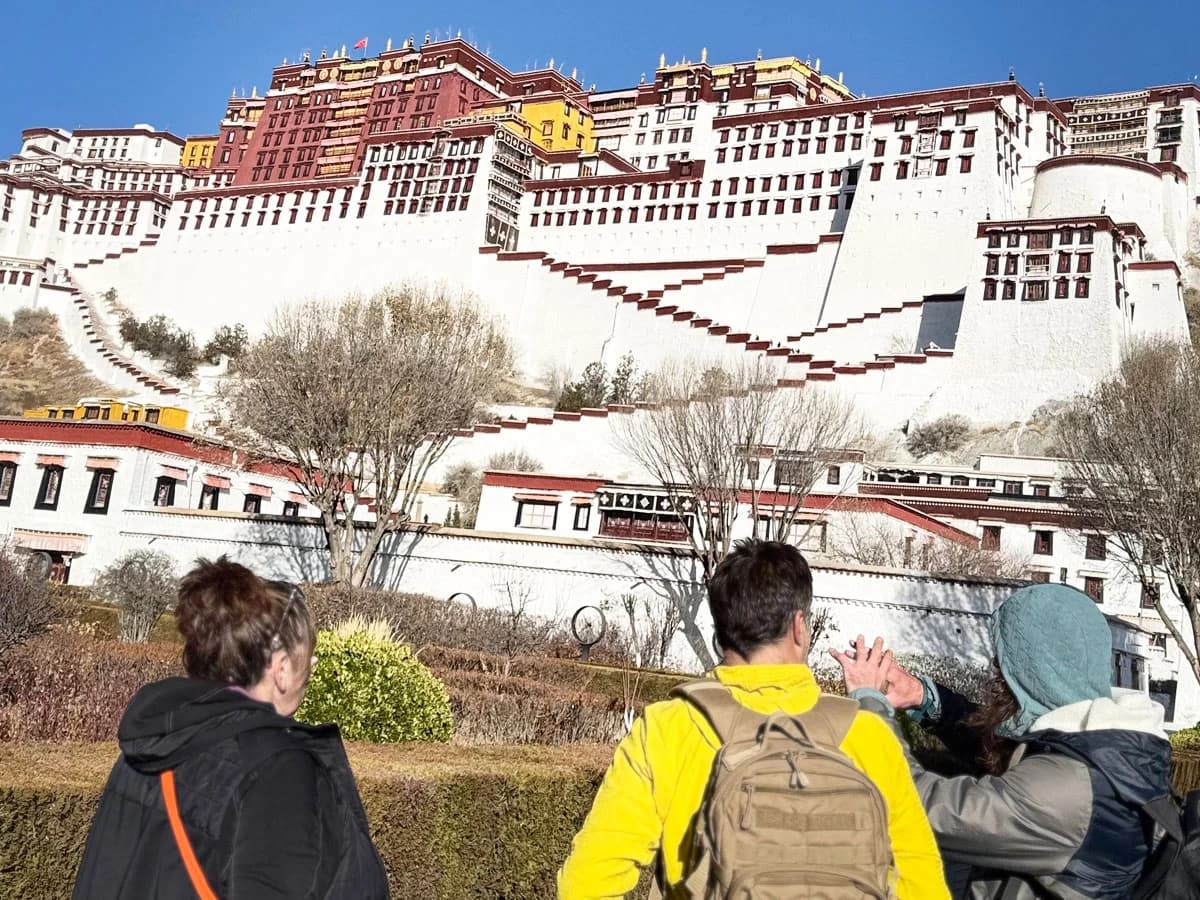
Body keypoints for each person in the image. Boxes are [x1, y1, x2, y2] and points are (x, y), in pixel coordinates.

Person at [558, 539, 950, 899]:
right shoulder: (866, 734)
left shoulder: (668, 726)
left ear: (720, 630)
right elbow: (922, 884)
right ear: (799, 626)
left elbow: (587, 882)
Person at [71, 556, 389, 900]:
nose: (311, 665)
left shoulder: (154, 739)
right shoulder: (278, 766)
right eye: (307, 657)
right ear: (281, 669)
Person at [833, 582, 1173, 900]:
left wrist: (869, 704)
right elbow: (1003, 749)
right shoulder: (1104, 749)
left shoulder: (1064, 793)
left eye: (1003, 664)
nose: (995, 673)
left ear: (1033, 672)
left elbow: (916, 804)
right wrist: (926, 698)